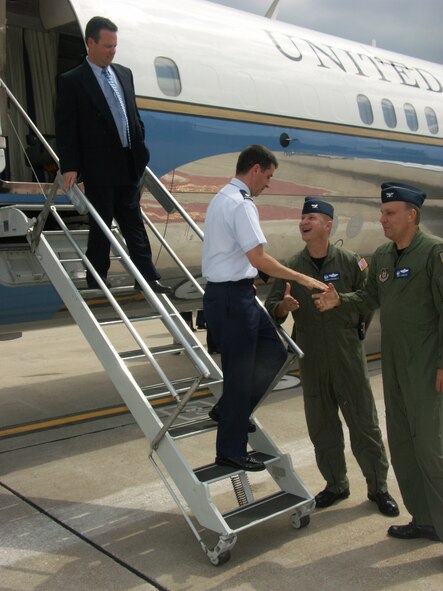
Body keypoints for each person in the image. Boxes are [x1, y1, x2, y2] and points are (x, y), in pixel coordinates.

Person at [313, 182, 443, 542]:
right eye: (382, 212)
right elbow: (371, 295)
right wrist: (340, 300)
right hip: (394, 366)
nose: (382, 218)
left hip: (427, 366)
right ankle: (425, 520)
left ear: (411, 216)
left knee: (432, 450)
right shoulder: (384, 255)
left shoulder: (434, 253)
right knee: (402, 445)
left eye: (389, 213)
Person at [265, 197, 399, 516]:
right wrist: (283, 308)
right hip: (311, 359)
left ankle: (378, 487)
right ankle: (336, 485)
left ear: (328, 225)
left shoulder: (351, 262)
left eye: (311, 217)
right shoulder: (290, 268)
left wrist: (347, 315)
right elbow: (272, 310)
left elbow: (368, 300)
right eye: (302, 218)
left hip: (346, 356)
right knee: (322, 426)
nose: (304, 222)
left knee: (364, 424)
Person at [202, 144, 327, 472]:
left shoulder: (221, 198)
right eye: (268, 176)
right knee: (240, 376)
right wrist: (303, 277)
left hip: (233, 295)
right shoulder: (242, 204)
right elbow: (258, 258)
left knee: (274, 353)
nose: (268, 184)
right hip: (232, 299)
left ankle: (230, 410)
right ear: (254, 170)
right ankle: (230, 450)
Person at [55, 16, 171, 294]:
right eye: (107, 46)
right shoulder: (72, 80)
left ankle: (147, 279)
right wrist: (70, 165)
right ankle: (97, 279)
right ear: (90, 43)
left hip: (129, 162)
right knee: (102, 225)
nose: (112, 51)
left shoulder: (123, 73)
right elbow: (66, 126)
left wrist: (140, 148)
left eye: (115, 46)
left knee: (134, 224)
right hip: (98, 167)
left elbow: (132, 114)